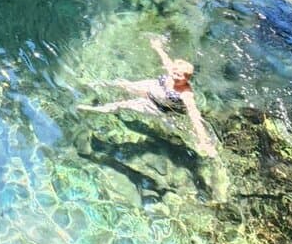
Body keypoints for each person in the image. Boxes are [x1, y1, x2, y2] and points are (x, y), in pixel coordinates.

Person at [79, 34, 217, 158]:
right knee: (123, 84)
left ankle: (99, 109)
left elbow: (194, 116)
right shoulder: (172, 70)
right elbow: (165, 59)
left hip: (158, 106)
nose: (175, 77)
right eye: (174, 73)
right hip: (153, 87)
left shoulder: (186, 93)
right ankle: (97, 84)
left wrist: (203, 141)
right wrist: (157, 47)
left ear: (187, 79)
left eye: (180, 77)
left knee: (124, 104)